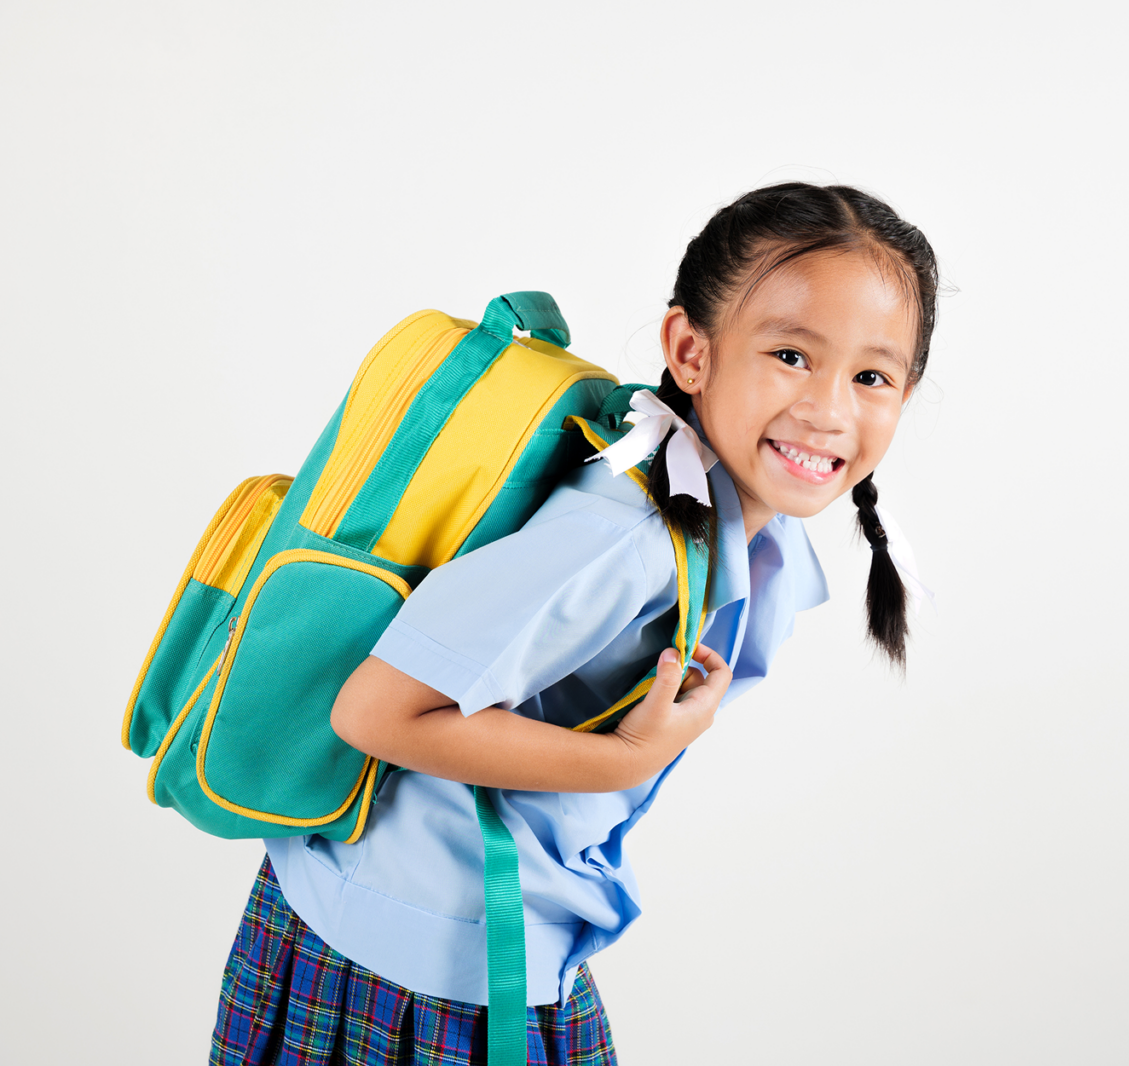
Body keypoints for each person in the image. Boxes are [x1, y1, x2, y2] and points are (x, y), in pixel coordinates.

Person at [208, 182, 940, 1066]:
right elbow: (373, 713)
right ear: (690, 351)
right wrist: (624, 760)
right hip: (404, 962)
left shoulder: (742, 521)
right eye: (791, 355)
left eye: (871, 376)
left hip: (486, 940)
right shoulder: (619, 540)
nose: (829, 408)